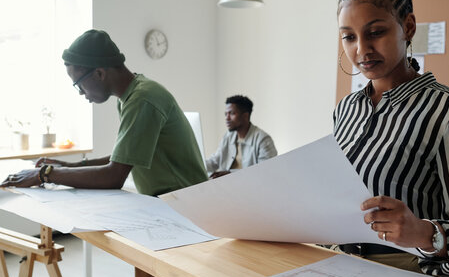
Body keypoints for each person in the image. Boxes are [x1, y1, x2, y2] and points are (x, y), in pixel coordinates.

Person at [333, 0, 449, 277]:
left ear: (407, 27)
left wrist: (423, 233)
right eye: (349, 37)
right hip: (344, 268)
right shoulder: (346, 111)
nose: (361, 50)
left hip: (415, 274)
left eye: (375, 32)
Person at [1, 29, 208, 196]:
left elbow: (114, 176)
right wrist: (69, 166)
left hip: (186, 207)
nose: (81, 93)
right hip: (168, 203)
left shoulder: (142, 99)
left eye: (79, 85)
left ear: (99, 73)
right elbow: (124, 158)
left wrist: (45, 174)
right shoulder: (130, 96)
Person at [206, 95, 277, 179]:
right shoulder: (228, 136)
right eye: (226, 114)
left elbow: (266, 171)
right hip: (227, 187)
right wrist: (194, 164)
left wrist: (230, 173)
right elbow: (214, 161)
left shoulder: (263, 140)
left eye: (232, 113)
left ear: (245, 116)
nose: (227, 118)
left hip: (251, 188)